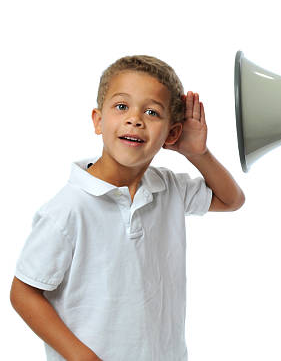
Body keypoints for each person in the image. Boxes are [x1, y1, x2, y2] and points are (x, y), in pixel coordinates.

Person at [10, 55, 245, 361]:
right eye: (122, 106)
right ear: (98, 120)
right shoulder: (68, 209)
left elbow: (231, 200)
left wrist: (197, 153)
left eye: (152, 111)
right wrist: (82, 356)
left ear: (171, 134)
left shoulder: (168, 188)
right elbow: (24, 293)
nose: (135, 119)